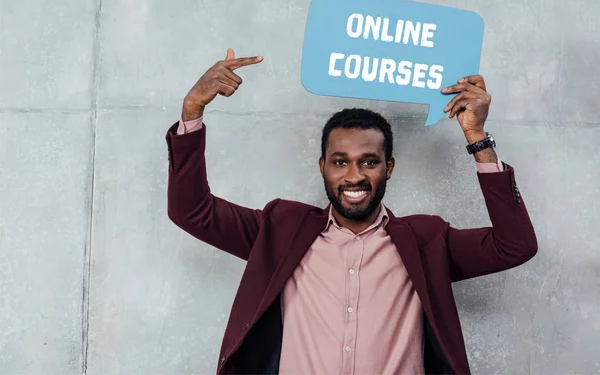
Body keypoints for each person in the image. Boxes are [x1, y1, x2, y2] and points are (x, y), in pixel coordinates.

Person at [165, 48, 537, 375]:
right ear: (322, 166)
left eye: (369, 162)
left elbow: (514, 245)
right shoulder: (280, 229)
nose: (354, 175)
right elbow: (191, 211)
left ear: (388, 168)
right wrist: (192, 111)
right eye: (340, 162)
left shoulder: (426, 241)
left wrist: (477, 137)